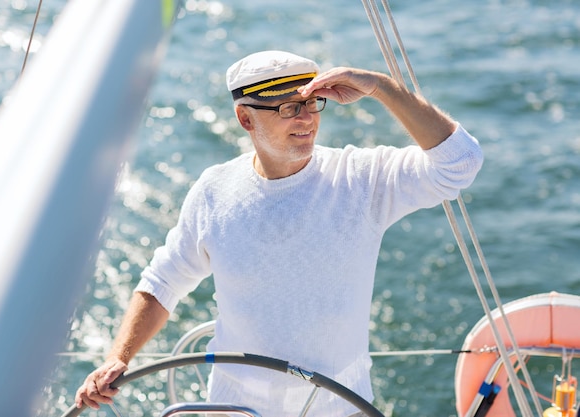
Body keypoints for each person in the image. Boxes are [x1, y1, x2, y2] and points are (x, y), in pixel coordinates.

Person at [74, 50, 483, 417]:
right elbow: (162, 283)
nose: (306, 119)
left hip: (338, 407)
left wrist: (383, 88)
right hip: (234, 408)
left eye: (311, 103)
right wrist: (118, 358)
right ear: (245, 118)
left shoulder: (360, 179)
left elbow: (460, 163)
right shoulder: (215, 190)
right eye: (288, 108)